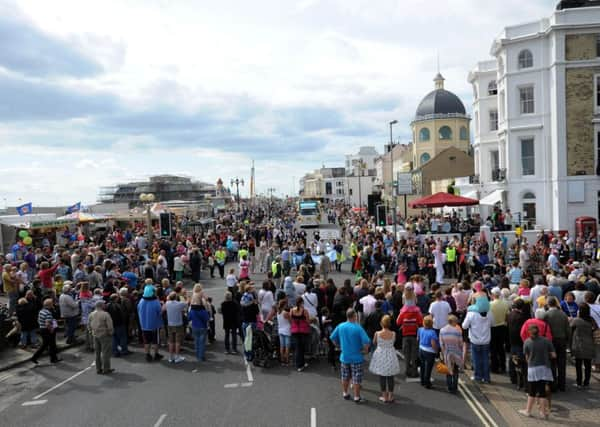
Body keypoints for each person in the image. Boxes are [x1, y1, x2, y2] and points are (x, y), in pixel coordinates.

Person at [330, 309, 370, 404]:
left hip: (345, 357)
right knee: (357, 378)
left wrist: (338, 346)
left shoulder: (340, 326)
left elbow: (332, 337)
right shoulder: (358, 328)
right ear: (354, 316)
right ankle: (356, 396)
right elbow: (366, 342)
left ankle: (345, 393)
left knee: (345, 376)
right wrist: (365, 350)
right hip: (357, 357)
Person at [519, 324, 556, 419]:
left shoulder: (527, 342)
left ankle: (527, 411)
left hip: (533, 369)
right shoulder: (546, 340)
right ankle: (543, 413)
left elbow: (526, 357)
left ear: (529, 332)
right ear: (538, 332)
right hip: (544, 368)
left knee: (532, 391)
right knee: (542, 391)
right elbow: (553, 355)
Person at [368, 315, 400, 403]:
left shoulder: (377, 333)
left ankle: (384, 396)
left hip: (380, 354)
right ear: (389, 324)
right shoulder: (393, 333)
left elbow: (374, 342)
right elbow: (393, 342)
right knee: (390, 376)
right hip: (390, 354)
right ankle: (390, 396)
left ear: (381, 324)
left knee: (382, 376)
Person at [543, 296, 570, 392]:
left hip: (551, 342)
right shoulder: (563, 314)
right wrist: (567, 341)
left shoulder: (546, 315)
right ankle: (562, 385)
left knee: (552, 363)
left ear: (548, 304)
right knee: (562, 363)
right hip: (562, 340)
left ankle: (553, 385)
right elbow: (568, 329)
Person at [396, 286, 423, 378]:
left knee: (406, 354)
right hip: (414, 334)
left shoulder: (403, 312)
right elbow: (420, 322)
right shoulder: (417, 311)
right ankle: (414, 372)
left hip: (405, 333)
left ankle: (407, 370)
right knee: (414, 354)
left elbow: (398, 322)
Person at [462, 304, 493, 383]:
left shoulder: (471, 313)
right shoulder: (489, 313)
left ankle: (478, 377)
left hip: (475, 340)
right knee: (486, 359)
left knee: (476, 359)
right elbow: (493, 324)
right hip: (486, 340)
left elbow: (464, 326)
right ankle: (486, 378)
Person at [570, 303, 595, 389]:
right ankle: (586, 382)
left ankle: (579, 382)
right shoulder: (591, 320)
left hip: (578, 345)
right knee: (588, 365)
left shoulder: (576, 320)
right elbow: (594, 329)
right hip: (589, 344)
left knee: (578, 365)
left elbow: (571, 330)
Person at [137, 285, 164, 362]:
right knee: (155, 341)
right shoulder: (156, 302)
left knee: (146, 341)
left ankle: (147, 355)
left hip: (144, 325)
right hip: (155, 325)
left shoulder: (141, 301)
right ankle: (156, 354)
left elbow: (138, 310)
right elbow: (160, 312)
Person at [88, 300, 114, 375]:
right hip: (104, 335)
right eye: (104, 304)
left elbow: (88, 324)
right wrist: (110, 333)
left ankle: (98, 368)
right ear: (101, 306)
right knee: (105, 353)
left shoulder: (91, 314)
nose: (105, 305)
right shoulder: (105, 314)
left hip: (95, 335)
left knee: (97, 353)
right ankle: (106, 369)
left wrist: (91, 332)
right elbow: (110, 326)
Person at [31, 298, 61, 365]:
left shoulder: (41, 311)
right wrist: (51, 329)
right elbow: (47, 324)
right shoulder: (48, 313)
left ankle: (35, 358)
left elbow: (39, 320)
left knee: (46, 345)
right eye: (52, 304)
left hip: (42, 329)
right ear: (50, 305)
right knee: (51, 345)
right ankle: (53, 359)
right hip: (47, 330)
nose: (53, 305)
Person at [439, 315, 464, 393]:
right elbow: (461, 344)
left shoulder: (442, 330)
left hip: (447, 353)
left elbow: (441, 343)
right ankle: (455, 387)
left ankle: (449, 387)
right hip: (456, 353)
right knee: (456, 370)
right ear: (453, 322)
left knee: (449, 370)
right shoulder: (458, 331)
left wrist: (443, 353)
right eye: (456, 322)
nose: (456, 323)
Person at [489, 288, 509, 374]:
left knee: (493, 349)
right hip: (502, 327)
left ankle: (494, 367)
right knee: (501, 347)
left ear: (493, 295)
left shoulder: (490, 304)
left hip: (493, 328)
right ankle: (503, 366)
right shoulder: (505, 303)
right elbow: (507, 316)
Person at [164, 291, 188, 363]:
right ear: (176, 297)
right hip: (178, 324)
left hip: (170, 324)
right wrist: (187, 297)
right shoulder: (179, 304)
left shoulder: (167, 303)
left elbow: (162, 309)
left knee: (171, 341)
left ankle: (171, 357)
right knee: (177, 342)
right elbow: (187, 303)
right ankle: (177, 357)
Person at [417, 315, 439, 389]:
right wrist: (436, 351)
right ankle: (427, 383)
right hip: (429, 352)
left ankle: (422, 381)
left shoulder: (420, 329)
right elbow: (433, 344)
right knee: (428, 368)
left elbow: (418, 339)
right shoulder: (432, 332)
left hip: (421, 349)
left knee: (422, 366)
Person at [290, 298, 311, 372]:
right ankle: (299, 365)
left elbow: (291, 320)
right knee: (301, 348)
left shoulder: (292, 310)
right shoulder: (305, 311)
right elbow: (308, 321)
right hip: (303, 331)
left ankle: (301, 362)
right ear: (301, 303)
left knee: (298, 348)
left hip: (294, 331)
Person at [277, 299, 291, 366]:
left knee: (282, 346)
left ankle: (282, 361)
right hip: (287, 330)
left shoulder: (278, 312)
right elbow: (291, 321)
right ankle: (287, 361)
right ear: (284, 305)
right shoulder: (286, 313)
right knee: (287, 347)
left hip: (280, 330)